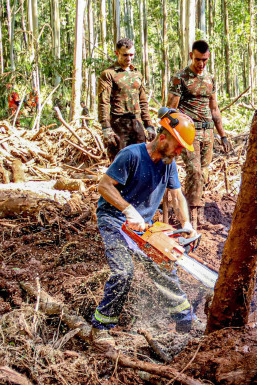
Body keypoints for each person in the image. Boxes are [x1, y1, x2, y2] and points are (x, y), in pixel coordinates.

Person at [91, 108, 200, 345]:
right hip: (114, 219)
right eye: (178, 146)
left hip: (144, 224)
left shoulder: (168, 163)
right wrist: (128, 211)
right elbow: (104, 186)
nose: (179, 152)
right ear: (163, 138)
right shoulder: (131, 155)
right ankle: (101, 326)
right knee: (123, 272)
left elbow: (177, 195)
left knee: (164, 265)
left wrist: (186, 223)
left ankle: (185, 320)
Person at [167, 40, 231, 227]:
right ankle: (191, 218)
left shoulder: (210, 79)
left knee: (203, 172)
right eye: (197, 59)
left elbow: (214, 109)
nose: (200, 64)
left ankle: (199, 215)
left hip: (208, 131)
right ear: (190, 56)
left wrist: (223, 135)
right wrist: (167, 133)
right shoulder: (181, 78)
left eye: (204, 60)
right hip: (189, 131)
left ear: (208, 57)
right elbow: (172, 107)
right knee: (193, 171)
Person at [98, 38, 157, 160]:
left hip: (136, 123)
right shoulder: (109, 74)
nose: (129, 58)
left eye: (131, 55)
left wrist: (149, 125)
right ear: (117, 53)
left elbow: (143, 102)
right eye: (125, 55)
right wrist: (106, 128)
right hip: (118, 123)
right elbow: (104, 102)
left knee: (141, 161)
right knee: (121, 163)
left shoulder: (137, 74)